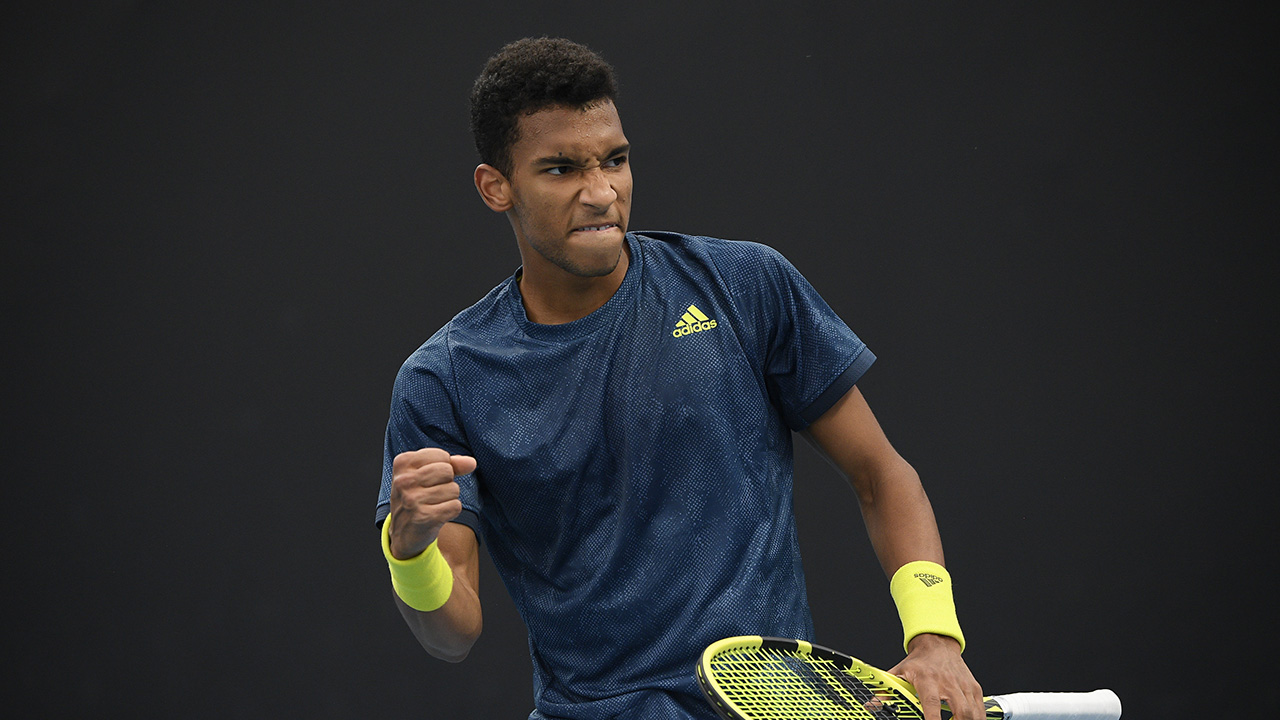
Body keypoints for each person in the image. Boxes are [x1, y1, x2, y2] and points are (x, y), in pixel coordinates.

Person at [375, 36, 984, 720]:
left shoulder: (746, 286)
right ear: (497, 187)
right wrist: (409, 551)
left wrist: (935, 639)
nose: (601, 192)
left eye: (615, 160)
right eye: (560, 169)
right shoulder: (445, 377)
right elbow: (452, 632)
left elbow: (882, 474)